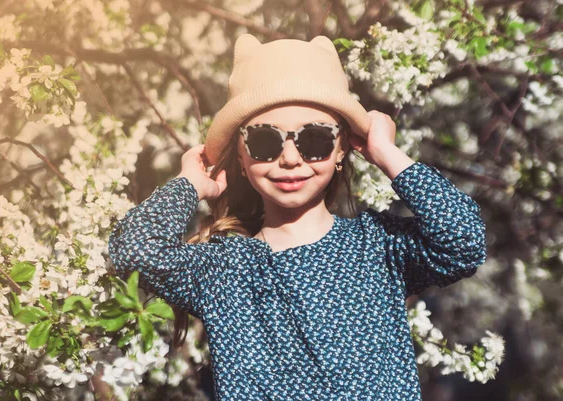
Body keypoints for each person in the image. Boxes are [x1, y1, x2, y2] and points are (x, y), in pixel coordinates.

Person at [108, 33, 487, 401]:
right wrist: (189, 183)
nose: (290, 159)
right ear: (240, 156)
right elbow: (134, 250)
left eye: (315, 140)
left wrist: (388, 154)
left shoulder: (377, 247)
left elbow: (464, 242)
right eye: (264, 141)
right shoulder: (225, 271)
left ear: (341, 149)